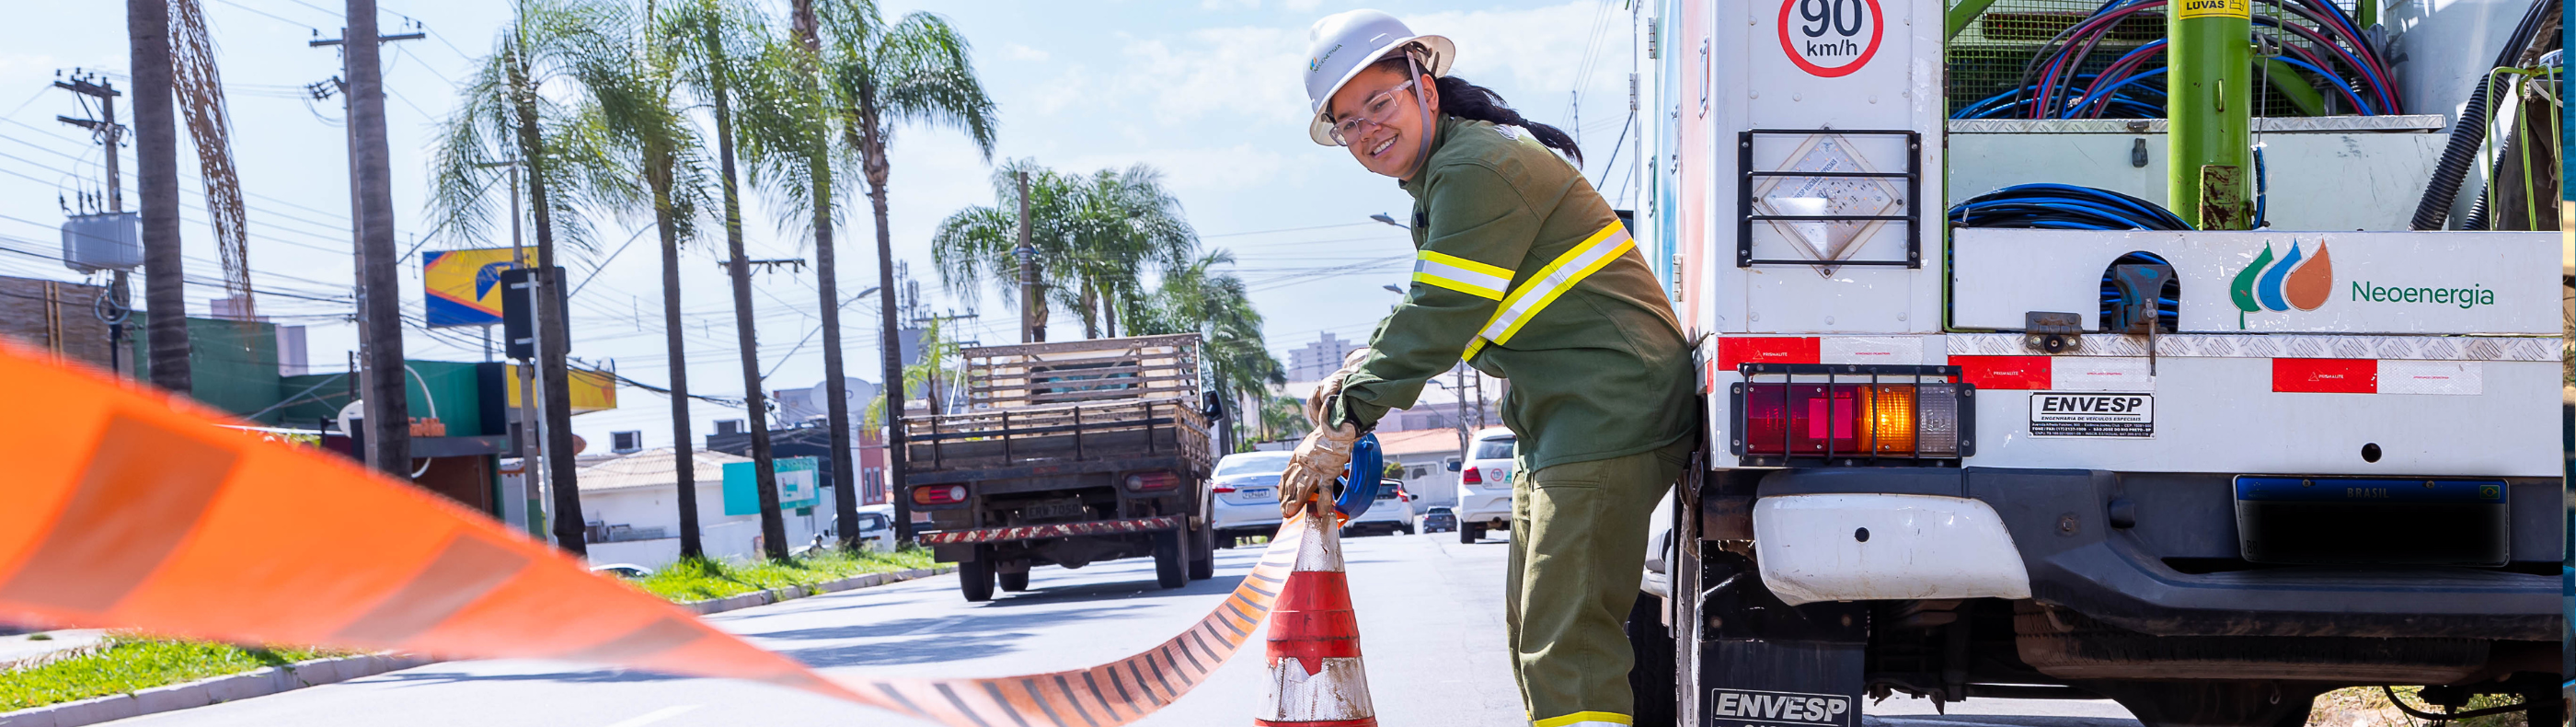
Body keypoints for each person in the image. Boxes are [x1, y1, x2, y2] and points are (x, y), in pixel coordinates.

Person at [1275, 9, 1696, 727]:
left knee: (1569, 651)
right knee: (1537, 640)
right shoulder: (1451, 172)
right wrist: (1357, 370)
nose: (1369, 130)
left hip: (1607, 413)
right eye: (1348, 123)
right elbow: (1437, 298)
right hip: (1564, 421)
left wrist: (1348, 419)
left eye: (1380, 103)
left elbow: (1441, 314)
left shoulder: (1474, 169)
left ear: (1425, 89)